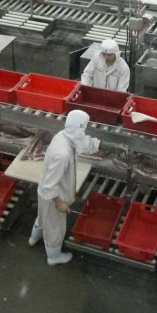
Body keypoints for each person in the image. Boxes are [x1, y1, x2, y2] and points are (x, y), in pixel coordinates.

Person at [29, 110, 100, 266]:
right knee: (55, 227)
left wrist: (99, 144)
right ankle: (53, 257)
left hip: (44, 193)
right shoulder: (63, 154)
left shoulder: (63, 135)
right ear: (79, 128)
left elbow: (82, 141)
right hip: (54, 196)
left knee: (42, 217)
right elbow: (50, 185)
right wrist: (59, 203)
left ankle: (34, 238)